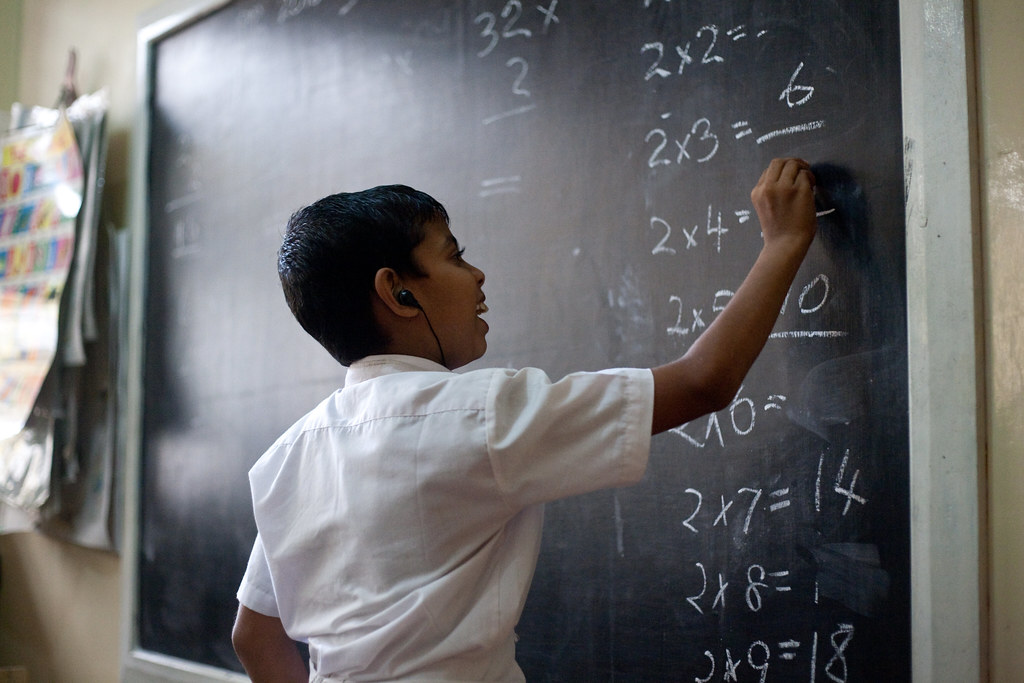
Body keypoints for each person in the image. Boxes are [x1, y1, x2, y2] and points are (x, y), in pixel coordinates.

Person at [232, 158, 818, 682]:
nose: (478, 276)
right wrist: (783, 242)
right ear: (398, 292)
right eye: (454, 255)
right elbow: (702, 382)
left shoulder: (287, 458)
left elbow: (255, 637)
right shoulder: (479, 418)